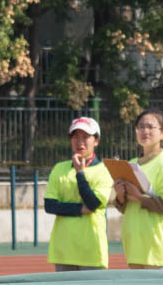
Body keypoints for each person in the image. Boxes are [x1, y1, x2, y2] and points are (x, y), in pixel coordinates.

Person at [44, 116, 114, 271]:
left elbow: (93, 204)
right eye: (75, 137)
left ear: (96, 141)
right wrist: (79, 209)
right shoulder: (59, 168)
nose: (80, 142)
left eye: (85, 137)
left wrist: (80, 174)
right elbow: (49, 205)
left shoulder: (104, 171)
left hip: (91, 250)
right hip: (63, 250)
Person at [115, 109, 163, 269]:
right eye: (141, 127)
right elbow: (123, 207)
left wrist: (138, 196)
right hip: (135, 250)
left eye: (151, 127)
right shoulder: (131, 164)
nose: (145, 131)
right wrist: (120, 196)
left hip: (159, 251)